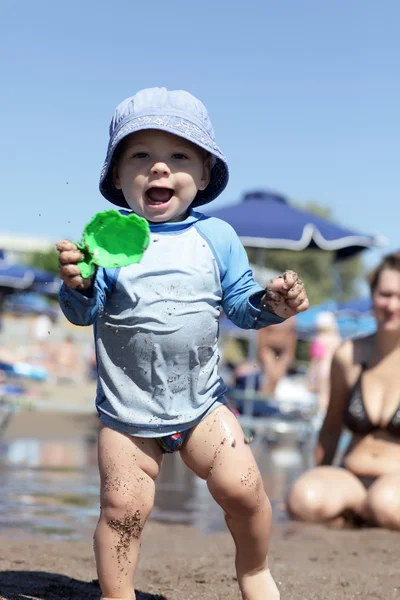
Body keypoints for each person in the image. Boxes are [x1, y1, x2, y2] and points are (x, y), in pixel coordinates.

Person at [56, 87, 309, 600]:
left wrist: (273, 305)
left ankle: (256, 571)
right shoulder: (107, 245)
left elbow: (240, 305)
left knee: (245, 490)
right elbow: (84, 315)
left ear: (205, 174)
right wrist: (77, 284)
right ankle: (117, 595)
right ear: (117, 177)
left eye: (178, 156)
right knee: (123, 512)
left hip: (201, 407)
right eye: (141, 156)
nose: (159, 169)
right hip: (128, 416)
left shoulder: (216, 237)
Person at [287, 251, 400, 530]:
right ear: (372, 295)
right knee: (304, 498)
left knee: (385, 503)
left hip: (394, 485)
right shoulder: (348, 356)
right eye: (385, 294)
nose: (392, 305)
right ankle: (358, 512)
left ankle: (360, 515)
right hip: (352, 478)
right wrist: (318, 474)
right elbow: (331, 426)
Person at [306, 311, 341, 412]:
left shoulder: (319, 339)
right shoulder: (337, 339)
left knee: (322, 400)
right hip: (335, 370)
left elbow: (315, 360)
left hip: (322, 370)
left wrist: (310, 378)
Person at [257, 316, 297, 396]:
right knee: (272, 374)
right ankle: (265, 398)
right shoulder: (270, 314)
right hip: (268, 348)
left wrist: (291, 353)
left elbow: (292, 336)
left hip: (284, 350)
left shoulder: (292, 318)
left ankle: (271, 399)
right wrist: (261, 350)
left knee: (278, 377)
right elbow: (262, 332)